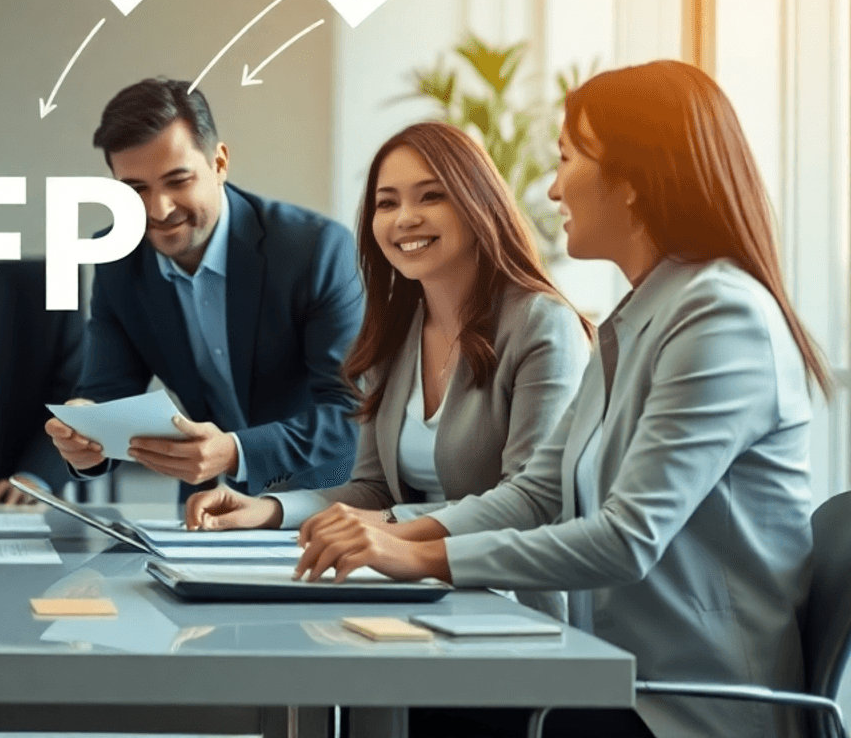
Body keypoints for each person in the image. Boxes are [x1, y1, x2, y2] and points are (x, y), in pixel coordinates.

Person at [295, 61, 831, 738]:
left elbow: (626, 538)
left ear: (632, 182)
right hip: (605, 672)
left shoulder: (721, 319)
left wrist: (418, 556)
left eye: (568, 158)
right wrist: (387, 536)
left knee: (427, 709)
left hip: (684, 705)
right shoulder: (639, 319)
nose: (551, 188)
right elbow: (538, 491)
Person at [185, 122, 590, 551]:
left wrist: (389, 524)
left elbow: (531, 502)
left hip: (507, 599)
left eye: (432, 196)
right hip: (407, 586)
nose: (405, 218)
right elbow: (373, 490)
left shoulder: (541, 324)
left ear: (479, 204)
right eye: (386, 203)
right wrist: (268, 510)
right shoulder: (395, 334)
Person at [43, 78, 365, 498]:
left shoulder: (315, 250)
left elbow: (353, 414)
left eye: (178, 180)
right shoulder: (116, 259)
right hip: (204, 510)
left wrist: (235, 451)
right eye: (135, 189)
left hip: (318, 505)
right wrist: (84, 435)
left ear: (219, 163)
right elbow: (106, 395)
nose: (158, 209)